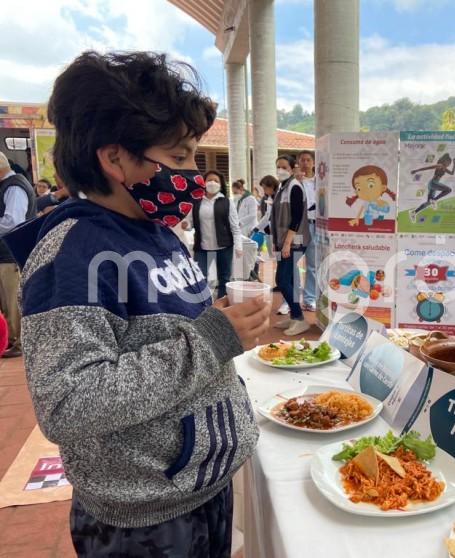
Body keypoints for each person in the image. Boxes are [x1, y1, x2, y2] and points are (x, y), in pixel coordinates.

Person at [9, 51, 270, 556]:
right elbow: (68, 403)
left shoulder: (156, 232)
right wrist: (213, 337)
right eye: (178, 158)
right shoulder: (73, 254)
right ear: (114, 158)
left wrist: (214, 322)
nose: (194, 174)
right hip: (144, 524)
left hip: (201, 491)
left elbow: (169, 333)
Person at [182, 170, 242, 298]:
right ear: (203, 183)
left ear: (221, 184)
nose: (212, 183)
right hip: (202, 247)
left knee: (224, 278)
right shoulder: (196, 202)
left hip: (224, 246)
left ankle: (222, 304)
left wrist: (238, 245)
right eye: (209, 180)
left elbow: (235, 226)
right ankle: (203, 304)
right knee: (200, 277)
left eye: (216, 181)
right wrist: (186, 224)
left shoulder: (227, 202)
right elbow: (190, 222)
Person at [0, 151, 36, 358]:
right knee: (7, 301)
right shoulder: (8, 185)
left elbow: (13, 221)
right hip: (6, 254)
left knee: (13, 301)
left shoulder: (14, 186)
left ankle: (19, 342)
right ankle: (12, 340)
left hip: (10, 254)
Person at [273, 155, 310, 336]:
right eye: (278, 167)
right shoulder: (283, 187)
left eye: (284, 167)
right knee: (290, 280)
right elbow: (277, 219)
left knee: (281, 280)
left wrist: (286, 244)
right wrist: (277, 243)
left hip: (295, 242)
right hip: (283, 243)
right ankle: (294, 316)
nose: (280, 170)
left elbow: (296, 218)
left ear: (292, 168)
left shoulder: (294, 186)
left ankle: (299, 318)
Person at [297, 150, 318, 311]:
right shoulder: (295, 182)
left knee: (312, 264)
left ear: (313, 162)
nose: (305, 163)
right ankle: (292, 299)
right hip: (299, 226)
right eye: (302, 160)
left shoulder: (321, 181)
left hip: (316, 225)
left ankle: (310, 299)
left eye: (308, 160)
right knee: (292, 262)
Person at [409, 153, 455, 221]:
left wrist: (454, 164)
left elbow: (452, 173)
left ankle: (414, 212)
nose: (449, 164)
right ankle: (434, 200)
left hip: (433, 185)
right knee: (448, 190)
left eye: (450, 163)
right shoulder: (440, 165)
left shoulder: (444, 168)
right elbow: (427, 168)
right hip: (433, 183)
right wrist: (416, 170)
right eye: (449, 162)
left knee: (428, 203)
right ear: (445, 161)